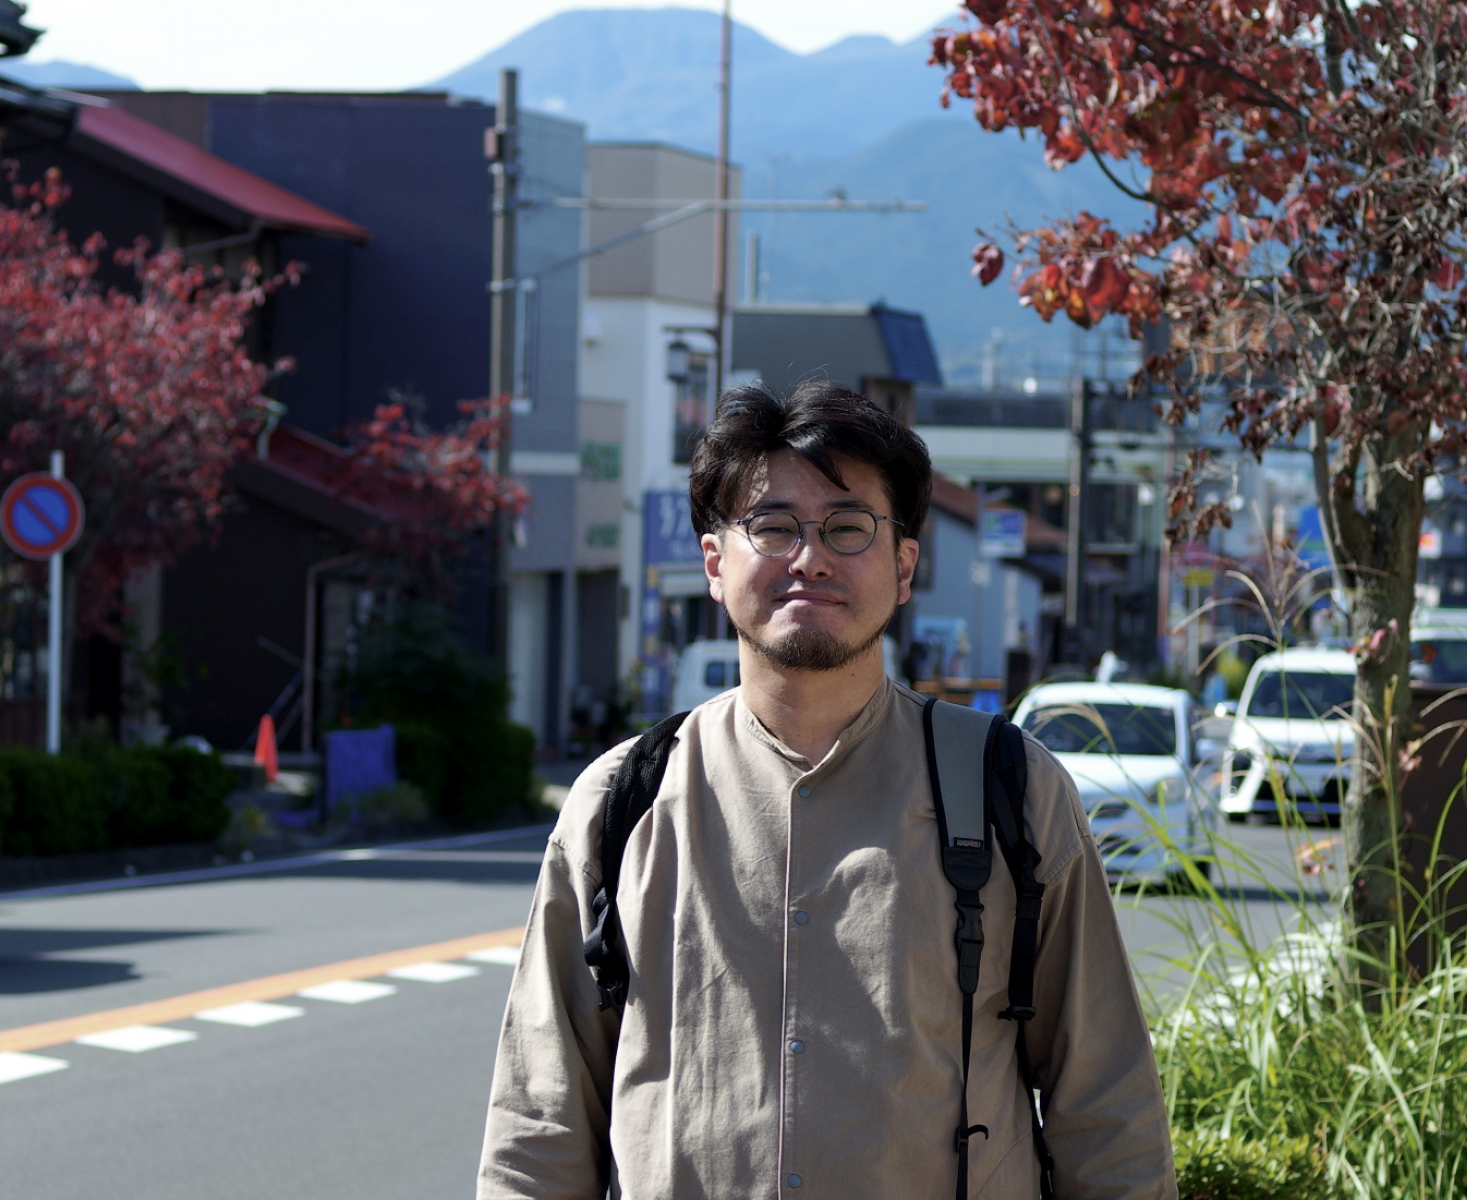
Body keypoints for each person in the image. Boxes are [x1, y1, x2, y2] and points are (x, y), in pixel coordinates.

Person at [477, 383, 1175, 1200]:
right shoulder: (623, 803)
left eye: (847, 527)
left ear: (905, 566)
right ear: (714, 562)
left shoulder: (1007, 791)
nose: (809, 557)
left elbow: (1107, 1106)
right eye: (772, 526)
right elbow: (539, 1121)